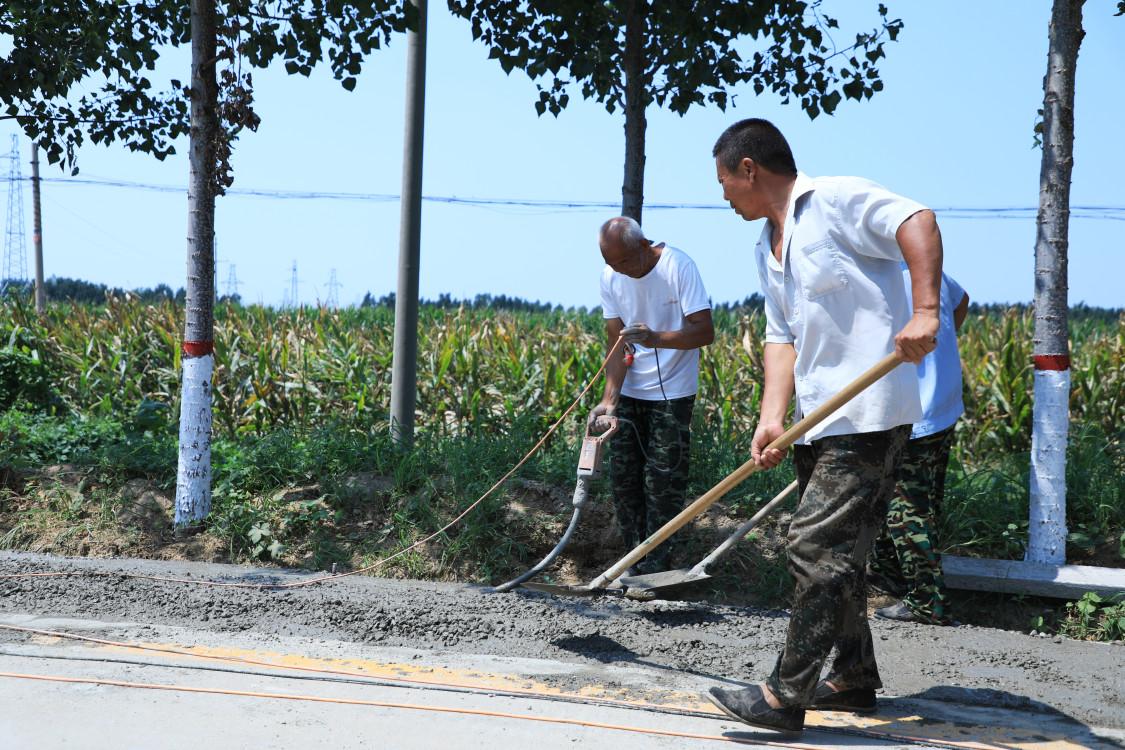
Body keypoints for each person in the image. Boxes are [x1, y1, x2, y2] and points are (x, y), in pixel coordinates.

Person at [704, 119, 943, 734]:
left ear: (749, 168)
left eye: (725, 180)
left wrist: (924, 310)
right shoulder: (767, 245)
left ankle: (785, 697)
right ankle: (853, 677)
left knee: (813, 546)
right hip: (816, 421)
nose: (724, 194)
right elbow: (781, 338)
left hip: (867, 416)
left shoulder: (834, 201)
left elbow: (916, 219)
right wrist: (771, 421)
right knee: (843, 558)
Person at [588, 216, 714, 575]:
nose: (620, 271)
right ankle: (633, 562)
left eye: (625, 262)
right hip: (630, 391)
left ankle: (658, 567)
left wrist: (655, 338)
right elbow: (616, 342)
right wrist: (609, 399)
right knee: (624, 479)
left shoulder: (679, 267)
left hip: (673, 393)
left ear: (644, 246)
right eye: (611, 264)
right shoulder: (611, 276)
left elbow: (704, 331)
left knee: (662, 480)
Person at [867, 268, 969, 625]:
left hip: (914, 410)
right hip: (943, 401)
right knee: (918, 500)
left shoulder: (877, 277)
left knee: (905, 511)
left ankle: (928, 603)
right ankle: (888, 574)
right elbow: (961, 301)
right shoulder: (927, 268)